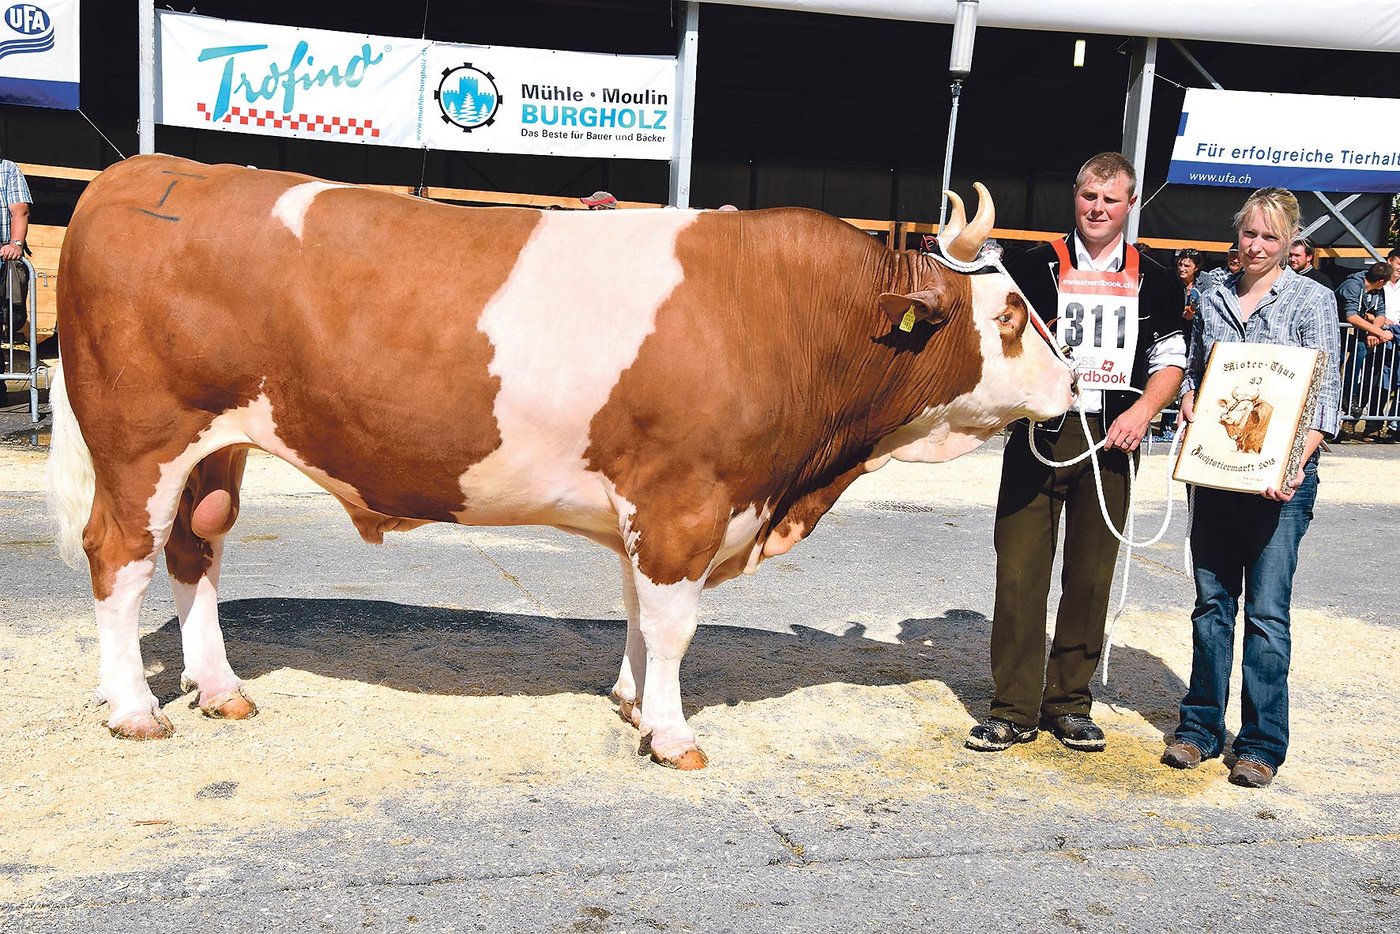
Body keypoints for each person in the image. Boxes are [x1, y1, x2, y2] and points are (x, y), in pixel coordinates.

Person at [967, 152, 1186, 754]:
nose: (1098, 208)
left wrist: (1144, 411)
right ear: (1075, 196)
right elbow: (996, 336)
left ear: (1129, 205)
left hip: (1113, 438)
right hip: (1041, 435)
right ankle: (1012, 708)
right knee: (1018, 572)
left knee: (1089, 576)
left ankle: (1069, 703)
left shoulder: (1158, 277)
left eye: (1110, 200)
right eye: (1089, 196)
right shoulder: (1032, 266)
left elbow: (1170, 359)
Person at [1162, 187, 1340, 788]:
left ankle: (1262, 742)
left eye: (1270, 236)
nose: (1257, 245)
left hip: (1280, 484)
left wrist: (1292, 465)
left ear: (1290, 242)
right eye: (1249, 234)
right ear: (1236, 235)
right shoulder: (1211, 294)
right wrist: (1189, 397)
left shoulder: (1312, 301)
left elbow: (1325, 398)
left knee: (1267, 612)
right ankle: (1200, 727)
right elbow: (1195, 369)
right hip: (1217, 474)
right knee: (1212, 604)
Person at [1335, 261, 1391, 425]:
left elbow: (1381, 314)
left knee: (1361, 350)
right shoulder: (1352, 285)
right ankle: (1343, 393)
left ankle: (1348, 393)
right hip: (1334, 329)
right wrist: (1380, 332)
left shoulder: (1377, 292)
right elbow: (1351, 316)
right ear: (1381, 282)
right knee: (1335, 363)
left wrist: (1372, 331)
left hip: (1352, 332)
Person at [1157, 248, 1203, 441]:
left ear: (1196, 267)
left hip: (1192, 337)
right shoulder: (1169, 281)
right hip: (1173, 334)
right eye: (1180, 264)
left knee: (1187, 379)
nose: (1182, 268)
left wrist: (1194, 313)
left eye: (1187, 265)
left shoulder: (1205, 285)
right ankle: (1164, 424)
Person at [0, 157, 31, 343]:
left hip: (2, 253)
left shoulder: (7, 169)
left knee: (11, 314)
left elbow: (20, 211)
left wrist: (16, 244)